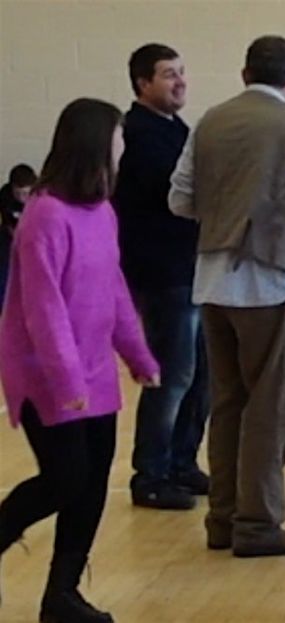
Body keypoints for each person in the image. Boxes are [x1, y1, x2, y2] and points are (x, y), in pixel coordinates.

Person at [169, 35, 285, 558]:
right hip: (269, 280)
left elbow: (178, 199)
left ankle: (222, 519)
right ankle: (259, 523)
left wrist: (225, 208)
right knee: (277, 410)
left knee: (228, 404)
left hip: (211, 280)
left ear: (245, 74)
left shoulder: (207, 121)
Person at [0, 97, 160, 623]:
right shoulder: (45, 214)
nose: (123, 147)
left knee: (91, 486)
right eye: (118, 137)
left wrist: (137, 354)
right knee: (64, 478)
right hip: (48, 375)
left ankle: (61, 594)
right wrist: (68, 378)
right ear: (95, 142)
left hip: (94, 372)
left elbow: (113, 291)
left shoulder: (102, 211)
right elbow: (43, 309)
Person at [113, 42, 211, 511]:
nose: (180, 81)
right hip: (162, 272)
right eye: (169, 74)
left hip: (192, 268)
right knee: (172, 375)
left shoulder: (176, 128)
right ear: (142, 84)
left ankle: (181, 463)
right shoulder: (138, 132)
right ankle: (150, 473)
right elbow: (176, 190)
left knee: (200, 376)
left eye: (182, 72)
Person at [0, 164, 36, 310]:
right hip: (10, 235)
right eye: (18, 193)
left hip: (33, 235)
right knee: (4, 265)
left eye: (25, 194)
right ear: (12, 187)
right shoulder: (5, 195)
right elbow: (6, 221)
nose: (22, 198)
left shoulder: (40, 197)